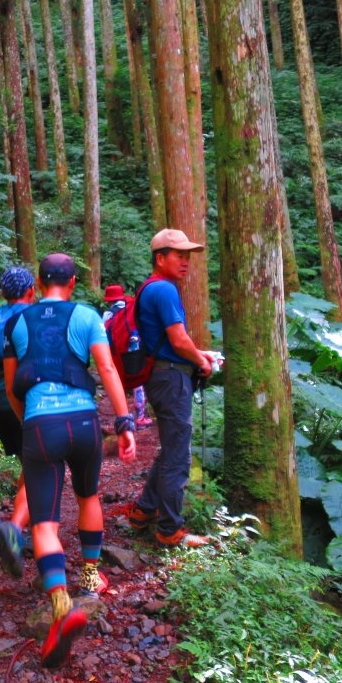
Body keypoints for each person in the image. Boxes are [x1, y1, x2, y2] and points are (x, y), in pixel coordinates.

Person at [5, 253, 137, 668]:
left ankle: (61, 604)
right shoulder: (86, 315)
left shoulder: (17, 321)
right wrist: (124, 421)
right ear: (73, 282)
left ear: (40, 282)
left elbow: (12, 387)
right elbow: (107, 369)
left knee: (44, 521)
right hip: (83, 422)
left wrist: (29, 420)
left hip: (40, 422)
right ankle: (91, 574)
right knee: (88, 495)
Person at [125, 229, 216, 548]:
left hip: (163, 375)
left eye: (188, 256)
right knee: (178, 455)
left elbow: (174, 342)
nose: (186, 262)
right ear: (160, 258)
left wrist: (197, 354)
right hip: (171, 378)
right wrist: (202, 361)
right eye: (179, 255)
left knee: (171, 449)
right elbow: (177, 340)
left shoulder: (151, 289)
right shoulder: (163, 290)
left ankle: (144, 511)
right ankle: (169, 528)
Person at [0, 267, 36, 577]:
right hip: (21, 398)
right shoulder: (31, 317)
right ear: (31, 291)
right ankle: (16, 529)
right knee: (39, 464)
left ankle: (24, 526)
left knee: (29, 461)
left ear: (2, 293)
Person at [102, 284, 153, 430]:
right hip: (133, 350)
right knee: (138, 385)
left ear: (109, 299)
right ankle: (141, 418)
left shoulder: (108, 314)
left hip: (115, 352)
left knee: (117, 382)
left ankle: (122, 418)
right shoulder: (133, 308)